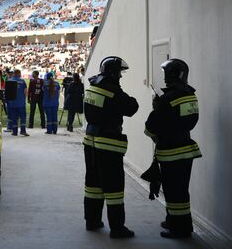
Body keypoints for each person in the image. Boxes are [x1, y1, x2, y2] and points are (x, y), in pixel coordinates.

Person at [145, 59, 201, 239]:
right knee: (181, 189)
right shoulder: (191, 95)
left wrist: (157, 107)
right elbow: (189, 121)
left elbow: (151, 127)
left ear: (171, 75)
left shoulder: (167, 99)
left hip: (170, 153)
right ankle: (175, 221)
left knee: (173, 192)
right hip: (187, 148)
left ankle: (180, 230)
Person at [83, 56, 138, 239]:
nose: (121, 77)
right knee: (114, 186)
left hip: (90, 142)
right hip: (108, 143)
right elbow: (131, 107)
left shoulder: (93, 86)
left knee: (93, 184)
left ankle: (92, 220)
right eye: (120, 73)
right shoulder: (112, 90)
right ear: (113, 73)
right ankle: (117, 228)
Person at [8, 69, 29, 136]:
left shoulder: (9, 80)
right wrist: (24, 99)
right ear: (19, 73)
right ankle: (23, 131)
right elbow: (25, 91)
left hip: (12, 103)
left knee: (14, 117)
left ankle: (14, 132)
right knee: (23, 117)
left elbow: (7, 92)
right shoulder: (22, 81)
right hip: (21, 102)